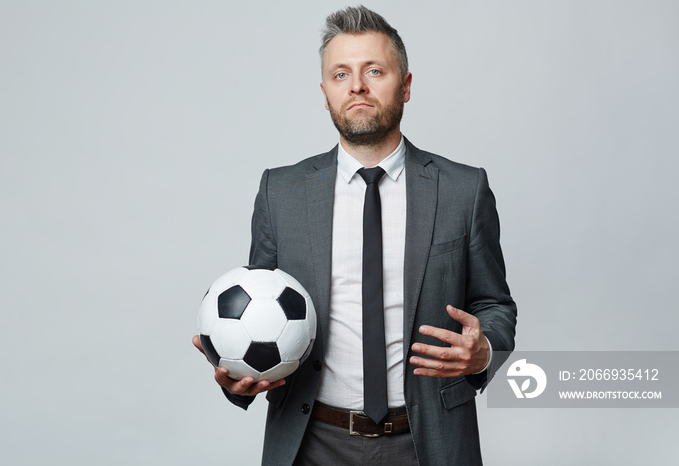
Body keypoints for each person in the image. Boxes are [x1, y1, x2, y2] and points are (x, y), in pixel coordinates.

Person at [193, 6, 516, 465]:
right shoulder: (280, 192)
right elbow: (259, 308)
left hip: (429, 443)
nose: (357, 86)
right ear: (325, 94)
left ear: (405, 86)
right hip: (313, 442)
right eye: (340, 74)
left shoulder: (464, 190)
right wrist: (238, 378)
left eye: (374, 71)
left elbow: (494, 305)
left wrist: (483, 353)